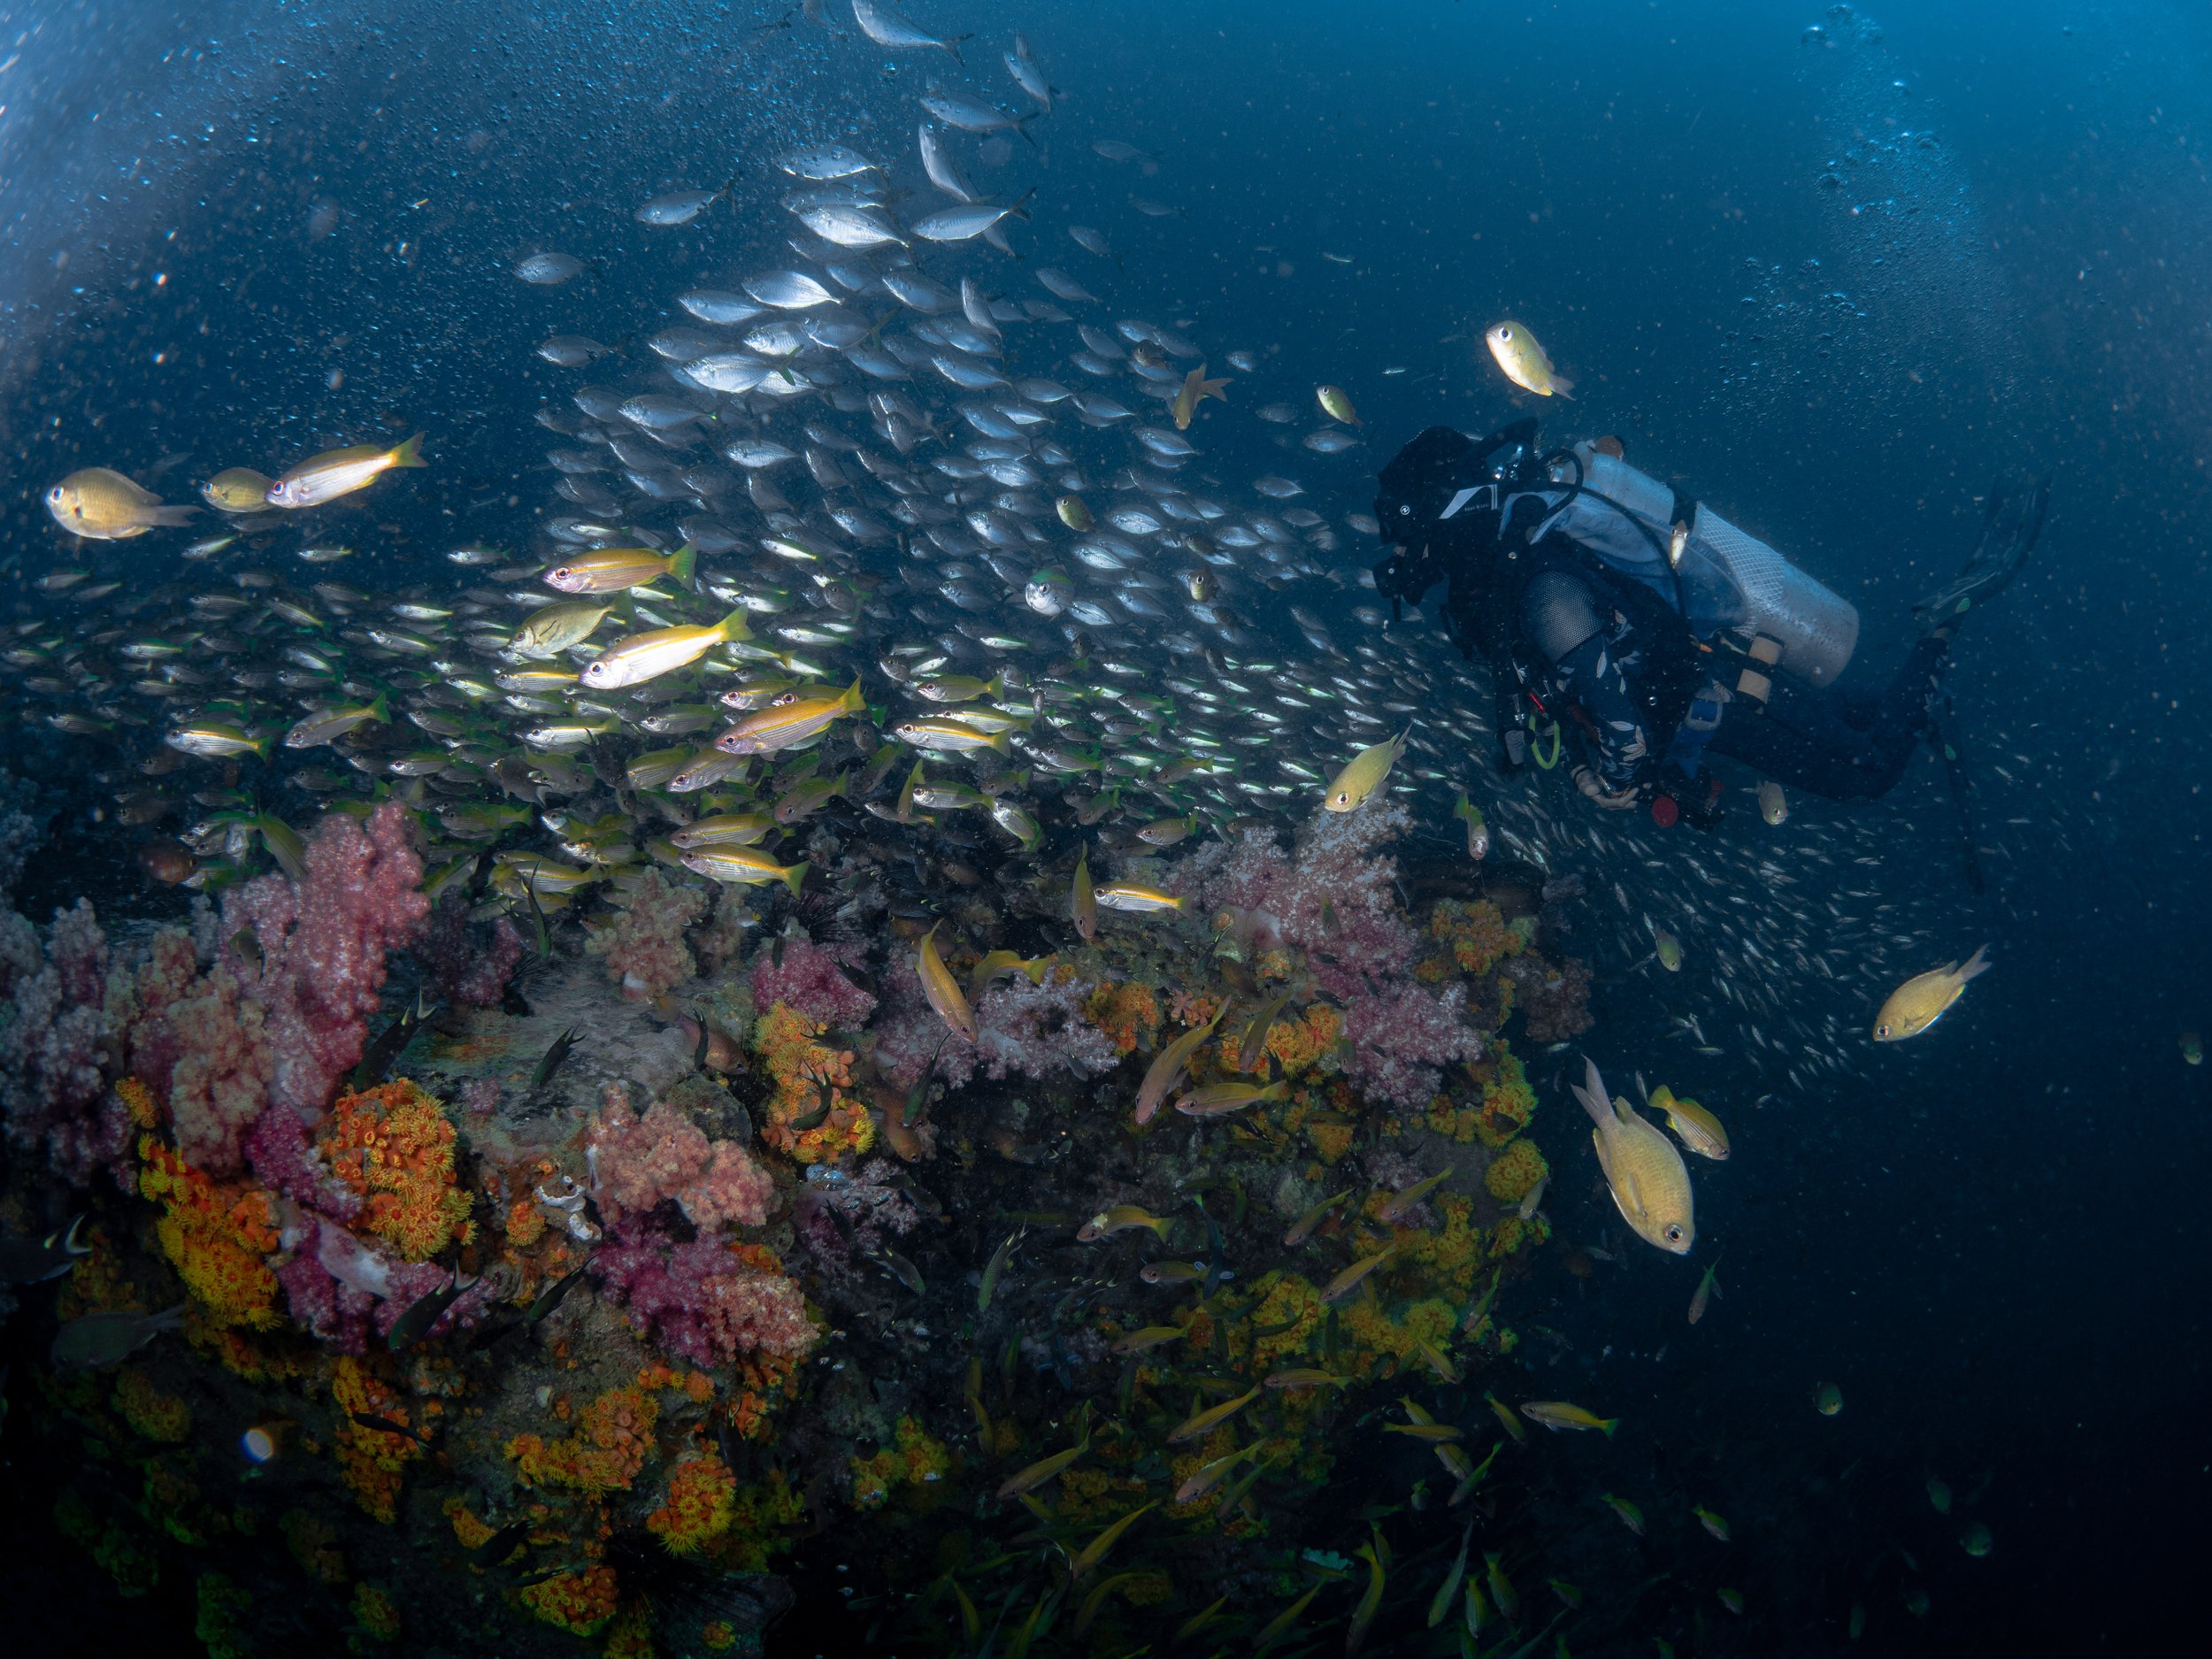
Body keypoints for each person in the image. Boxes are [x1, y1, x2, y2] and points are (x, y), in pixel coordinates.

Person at [1369, 419, 2047, 822]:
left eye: (1404, 540)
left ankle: (1940, 629)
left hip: (1715, 696)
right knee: (1847, 720)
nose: (1402, 563)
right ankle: (1917, 700)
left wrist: (1606, 781)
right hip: (1713, 686)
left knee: (1866, 771)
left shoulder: (1539, 591)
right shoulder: (1520, 572)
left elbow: (1624, 735)